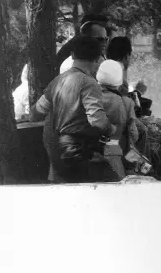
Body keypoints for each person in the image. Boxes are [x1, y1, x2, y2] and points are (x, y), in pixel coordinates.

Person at [31, 35, 117, 183]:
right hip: (79, 151)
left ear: (72, 55)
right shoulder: (89, 83)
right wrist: (112, 129)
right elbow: (97, 121)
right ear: (97, 60)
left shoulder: (57, 81)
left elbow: (36, 113)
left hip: (57, 151)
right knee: (113, 181)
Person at [97, 59, 139, 180]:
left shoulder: (87, 97)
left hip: (88, 156)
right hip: (113, 155)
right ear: (119, 80)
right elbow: (133, 134)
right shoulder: (126, 102)